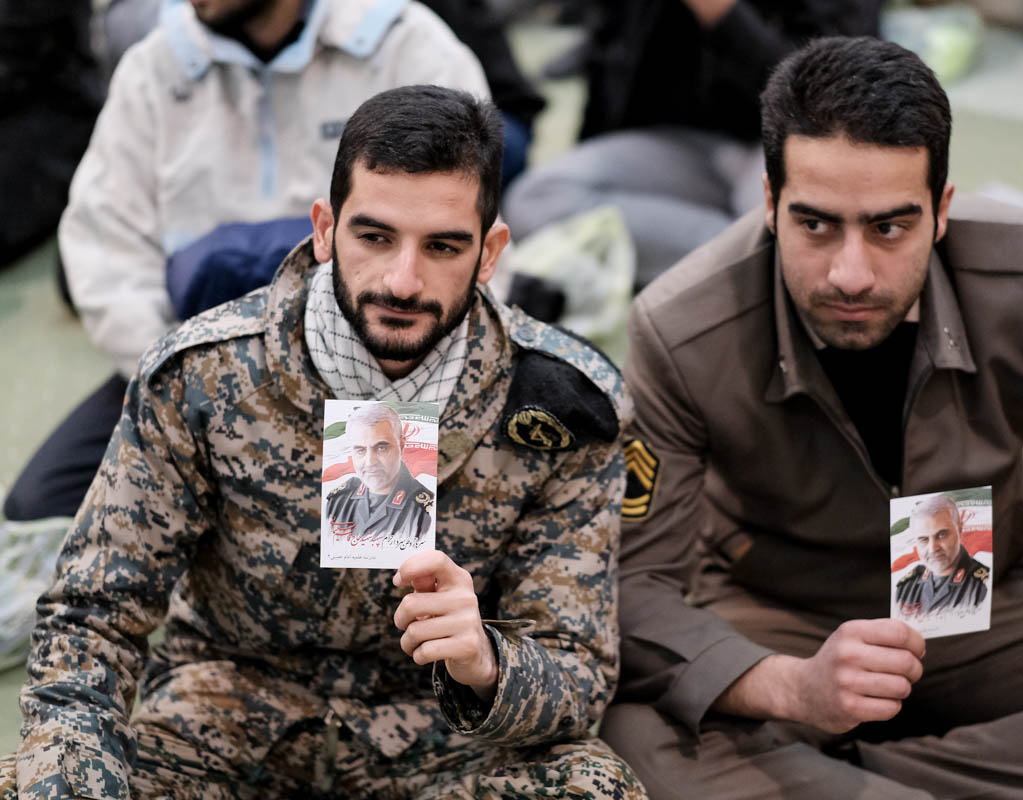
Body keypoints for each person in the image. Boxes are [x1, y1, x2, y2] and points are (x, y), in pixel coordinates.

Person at [0, 85, 645, 800]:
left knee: (594, 788)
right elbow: (90, 616)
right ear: (324, 228)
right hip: (220, 723)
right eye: (374, 237)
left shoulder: (559, 410)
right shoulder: (204, 376)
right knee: (33, 781)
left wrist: (490, 663)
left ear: (489, 252)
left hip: (439, 740)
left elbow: (578, 672)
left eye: (442, 246)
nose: (403, 280)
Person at [603, 37, 1023, 799]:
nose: (850, 273)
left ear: (941, 210)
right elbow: (635, 585)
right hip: (778, 609)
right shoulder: (681, 326)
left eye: (889, 227)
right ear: (770, 203)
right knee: (636, 739)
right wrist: (790, 687)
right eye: (816, 225)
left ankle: (840, 782)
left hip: (973, 592)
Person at [3, 0, 489, 524]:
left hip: (374, 361)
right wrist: (189, 387)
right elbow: (107, 250)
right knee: (43, 505)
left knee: (368, 533)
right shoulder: (153, 68)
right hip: (197, 359)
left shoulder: (404, 45)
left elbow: (456, 240)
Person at [502, 0, 881, 289]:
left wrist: (722, 13)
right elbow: (611, 67)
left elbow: (826, 99)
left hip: (787, 146)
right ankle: (747, 256)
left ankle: (759, 254)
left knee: (798, 232)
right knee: (535, 201)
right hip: (680, 151)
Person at [325, 404, 433, 547]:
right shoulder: (338, 501)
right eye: (360, 450)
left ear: (401, 446)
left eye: (381, 448)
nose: (370, 462)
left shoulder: (426, 510)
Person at [894, 495, 987, 616]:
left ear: (959, 531)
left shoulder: (983, 585)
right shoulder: (905, 588)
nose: (933, 549)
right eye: (923, 539)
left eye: (942, 535)